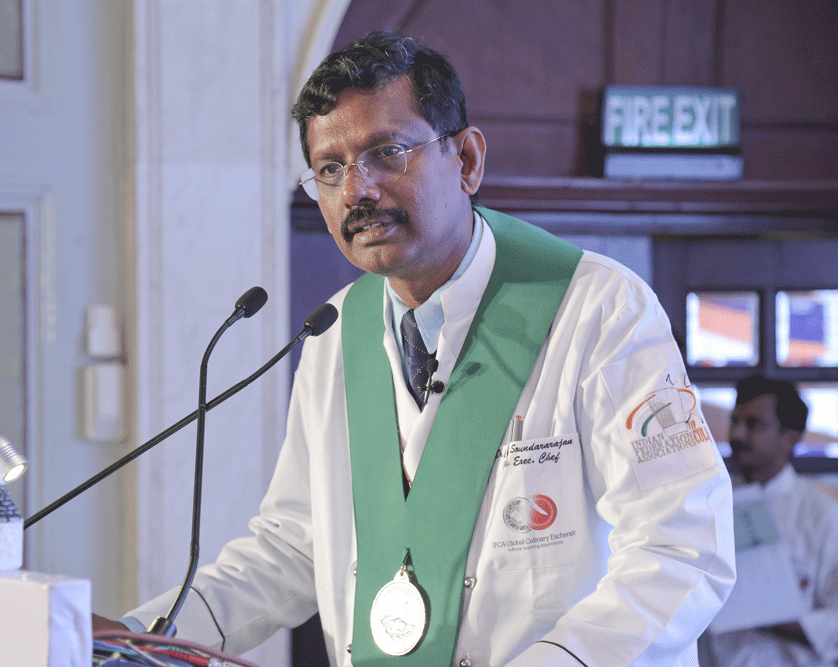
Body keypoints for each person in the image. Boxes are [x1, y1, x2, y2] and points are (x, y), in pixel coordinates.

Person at [95, 30, 735, 666]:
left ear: (467, 160)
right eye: (330, 169)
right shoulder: (334, 331)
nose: (356, 190)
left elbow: (682, 548)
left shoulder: (598, 307)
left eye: (387, 152)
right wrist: (133, 642)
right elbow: (294, 547)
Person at [707, 376, 838, 667]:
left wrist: (755, 611)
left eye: (753, 424)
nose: (737, 434)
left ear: (790, 438)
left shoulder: (823, 516)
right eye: (734, 421)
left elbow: (834, 625)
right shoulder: (710, 505)